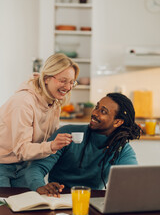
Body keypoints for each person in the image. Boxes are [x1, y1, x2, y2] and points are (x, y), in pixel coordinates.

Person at [25, 93, 142, 196]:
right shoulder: (68, 133)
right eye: (97, 107)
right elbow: (36, 168)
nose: (95, 113)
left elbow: (131, 182)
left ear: (117, 122)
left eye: (103, 111)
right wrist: (39, 186)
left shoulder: (122, 150)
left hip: (91, 203)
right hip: (58, 198)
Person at [0, 53, 79, 187]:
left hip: (25, 165)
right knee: (5, 207)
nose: (68, 87)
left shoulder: (54, 103)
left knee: (28, 206)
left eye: (72, 82)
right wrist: (52, 146)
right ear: (47, 78)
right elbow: (22, 150)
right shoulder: (23, 102)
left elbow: (47, 141)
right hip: (3, 166)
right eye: (63, 80)